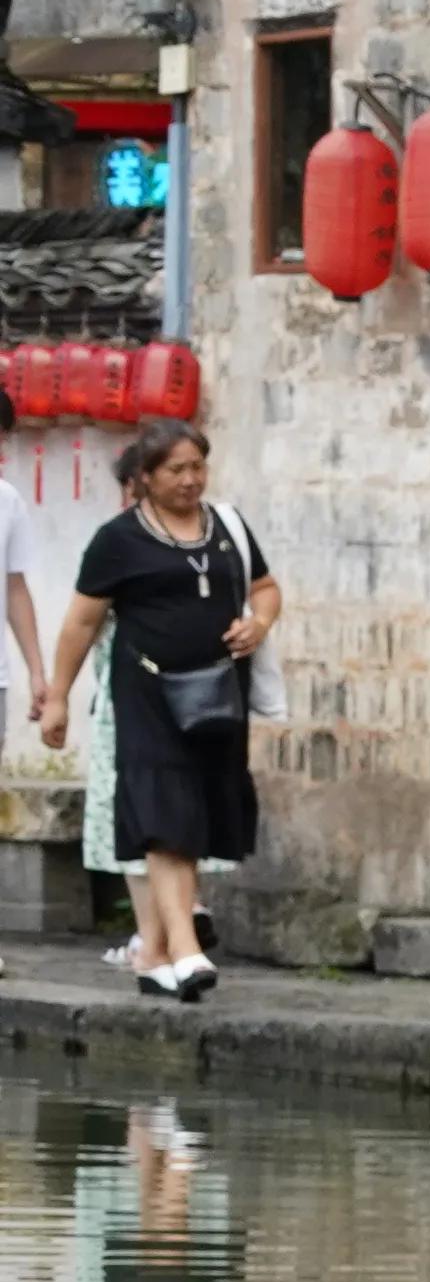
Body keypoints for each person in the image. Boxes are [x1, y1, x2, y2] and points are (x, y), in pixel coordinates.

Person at [31, 418, 278, 1002]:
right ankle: (184, 949)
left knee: (192, 820)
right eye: (176, 470)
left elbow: (265, 587)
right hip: (145, 696)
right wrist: (59, 697)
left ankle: (156, 956)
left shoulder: (229, 527)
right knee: (166, 816)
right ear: (144, 477)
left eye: (198, 467)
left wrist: (260, 622)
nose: (191, 480)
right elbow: (81, 624)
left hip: (216, 697)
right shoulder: (118, 540)